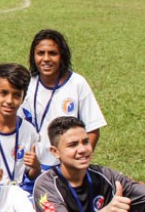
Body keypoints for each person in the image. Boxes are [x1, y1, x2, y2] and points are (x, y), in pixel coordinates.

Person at [21, 29, 106, 171]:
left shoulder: (77, 83)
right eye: (40, 53)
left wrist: (76, 164)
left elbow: (93, 130)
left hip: (66, 168)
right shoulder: (27, 83)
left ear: (62, 56)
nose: (46, 58)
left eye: (53, 53)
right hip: (32, 167)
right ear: (33, 56)